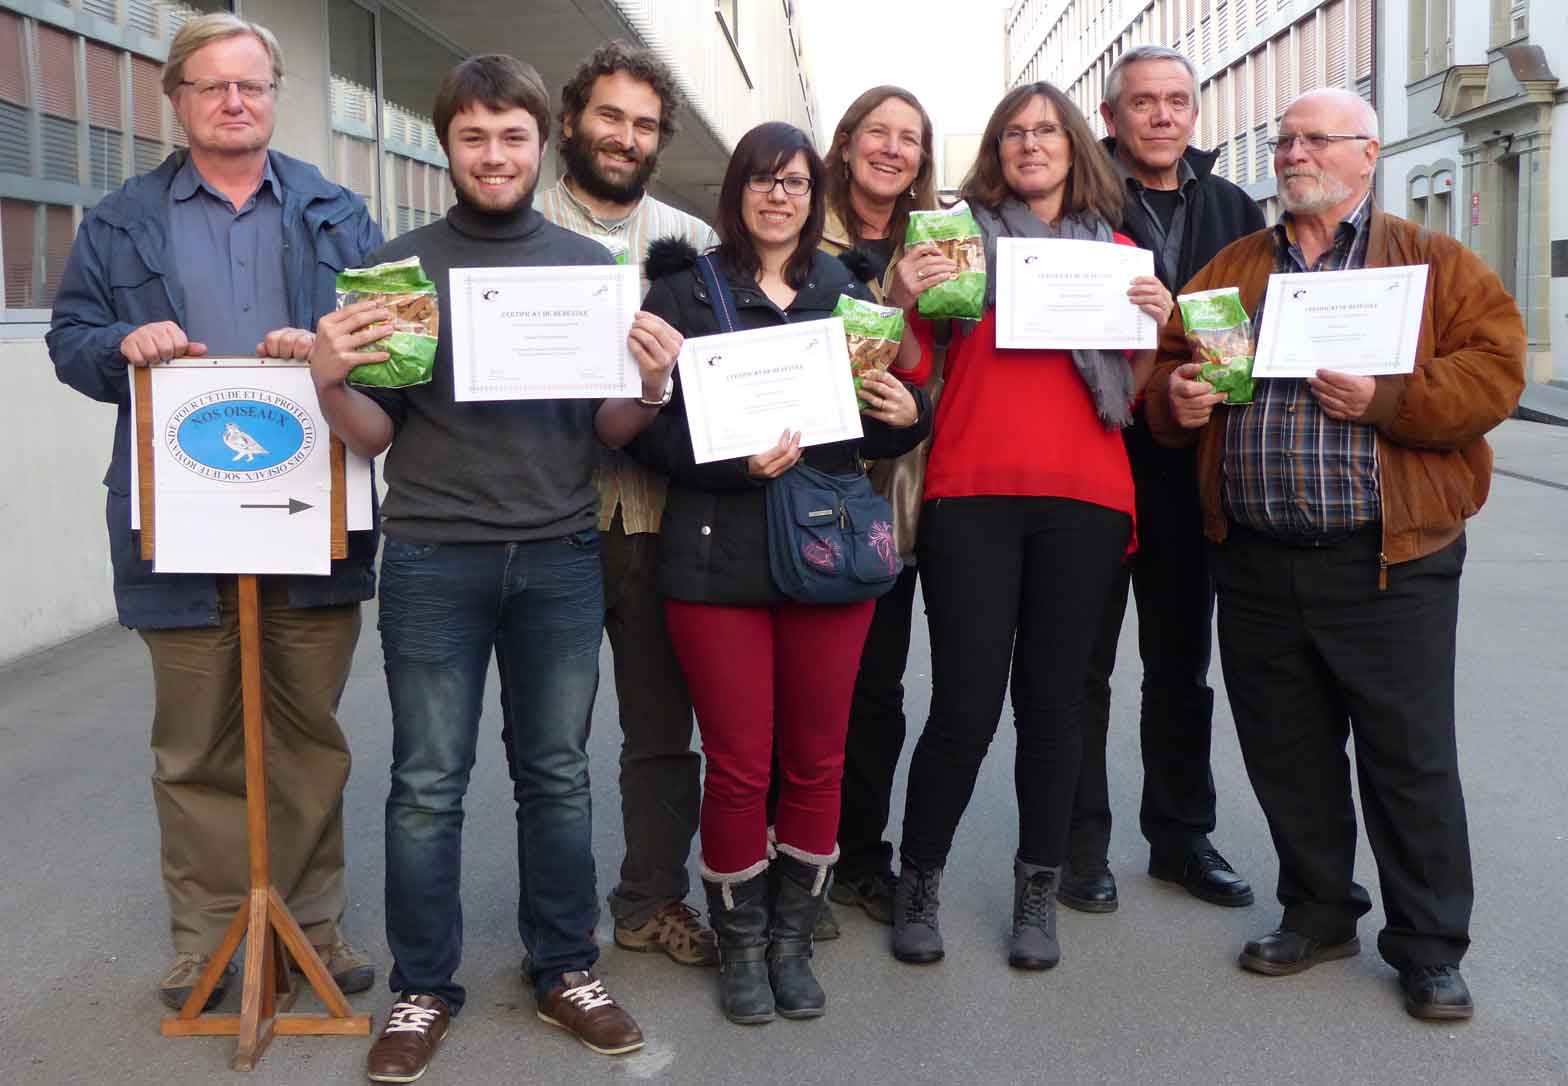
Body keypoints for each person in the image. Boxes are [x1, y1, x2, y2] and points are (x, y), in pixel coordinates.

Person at [306, 54, 680, 1079]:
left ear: (540, 143)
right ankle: (422, 988)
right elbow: (371, 436)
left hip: (560, 553)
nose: (493, 154)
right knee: (427, 785)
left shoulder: (584, 270)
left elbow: (606, 424)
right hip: (432, 556)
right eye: (473, 136)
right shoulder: (397, 267)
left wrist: (649, 388)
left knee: (554, 777)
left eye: (511, 136)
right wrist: (328, 380)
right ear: (447, 146)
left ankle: (564, 969)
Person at [1148, 87, 1524, 1020]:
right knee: (1287, 751)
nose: (1291, 155)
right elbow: (1166, 368)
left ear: (1367, 153)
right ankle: (1317, 911)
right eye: (1282, 143)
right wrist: (1176, 402)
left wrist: (1388, 401)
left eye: (1314, 140)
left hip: (1387, 558)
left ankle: (1430, 946)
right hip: (1257, 556)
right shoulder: (1233, 267)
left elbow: (1496, 368)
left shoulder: (1432, 260)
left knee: (1408, 757)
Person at [46, 12, 380, 1011]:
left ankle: (308, 923)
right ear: (177, 99)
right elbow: (69, 341)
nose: (234, 101)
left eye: (251, 85)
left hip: (311, 510)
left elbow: (398, 346)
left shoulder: (334, 210)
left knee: (306, 731)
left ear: (274, 96)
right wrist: (120, 346)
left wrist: (331, 348)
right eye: (212, 86)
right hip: (177, 521)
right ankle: (205, 940)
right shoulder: (120, 221)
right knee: (194, 743)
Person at [630, 121, 931, 1024]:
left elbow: (876, 433)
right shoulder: (684, 291)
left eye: (795, 183)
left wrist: (904, 410)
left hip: (825, 554)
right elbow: (648, 434)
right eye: (762, 181)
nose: (779, 197)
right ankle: (742, 942)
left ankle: (794, 938)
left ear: (815, 196)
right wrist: (734, 464)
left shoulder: (846, 293)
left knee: (817, 758)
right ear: (737, 193)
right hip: (714, 557)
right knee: (736, 763)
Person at [889, 82, 1173, 972]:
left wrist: (1159, 328)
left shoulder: (1122, 253)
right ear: (995, 150)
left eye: (1046, 130)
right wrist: (903, 294)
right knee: (965, 706)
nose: (1030, 143)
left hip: (1086, 498)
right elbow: (910, 365)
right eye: (1013, 131)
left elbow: (1131, 383)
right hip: (971, 492)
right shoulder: (952, 243)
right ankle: (920, 879)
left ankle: (1037, 891)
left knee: (1054, 709)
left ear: (1075, 146)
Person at [1061, 44, 1265, 915]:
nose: (1161, 115)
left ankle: (1181, 836)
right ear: (1111, 117)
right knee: (1082, 668)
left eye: (1177, 100)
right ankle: (1077, 847)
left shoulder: (1235, 207)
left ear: (1194, 113)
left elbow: (1263, 327)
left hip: (1194, 469)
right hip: (1095, 456)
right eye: (1142, 101)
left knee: (1179, 664)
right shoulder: (1074, 205)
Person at [534, 41, 719, 967]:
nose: (625, 136)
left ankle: (650, 901)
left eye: (644, 124)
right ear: (571, 120)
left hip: (658, 519)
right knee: (550, 747)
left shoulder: (696, 244)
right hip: (543, 519)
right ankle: (556, 930)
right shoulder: (513, 226)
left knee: (660, 735)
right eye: (610, 116)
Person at [813, 85, 948, 932]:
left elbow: (954, 369)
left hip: (902, 496)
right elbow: (801, 358)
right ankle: (799, 858)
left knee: (876, 691)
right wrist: (892, 294)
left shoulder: (943, 242)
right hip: (813, 490)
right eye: (878, 133)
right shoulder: (797, 226)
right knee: (810, 687)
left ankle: (863, 857)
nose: (893, 150)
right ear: (847, 142)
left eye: (910, 139)